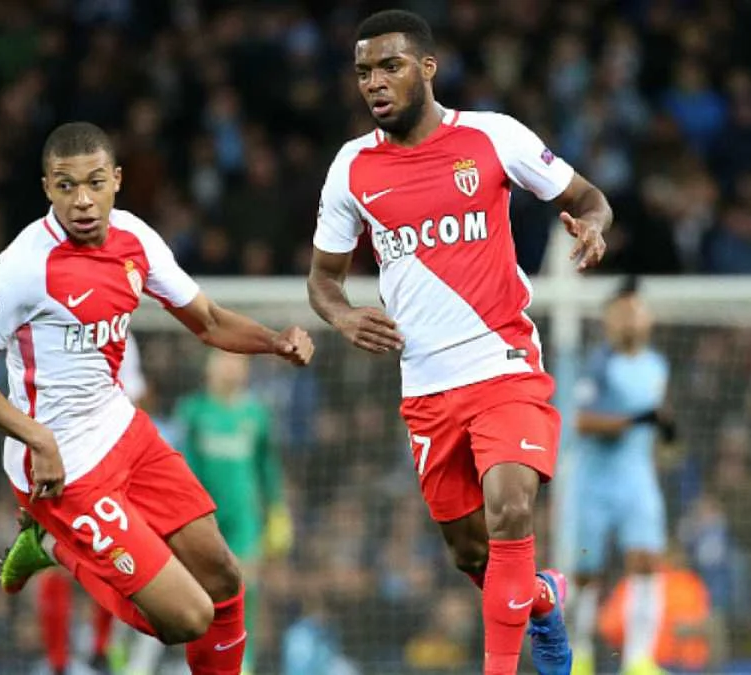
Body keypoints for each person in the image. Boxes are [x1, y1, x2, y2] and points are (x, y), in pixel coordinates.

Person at [0, 121, 314, 675]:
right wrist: (38, 438)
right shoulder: (24, 266)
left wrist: (274, 342)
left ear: (116, 180)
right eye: (66, 186)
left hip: (124, 433)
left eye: (94, 183)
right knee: (187, 619)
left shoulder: (135, 238)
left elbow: (207, 321)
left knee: (225, 580)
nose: (82, 200)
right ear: (47, 188)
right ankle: (51, 544)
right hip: (63, 469)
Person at [306, 10, 612, 675]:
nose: (374, 82)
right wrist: (343, 317)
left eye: (389, 66)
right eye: (363, 71)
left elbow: (590, 197)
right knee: (473, 554)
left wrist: (592, 224)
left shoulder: (493, 136)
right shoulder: (351, 168)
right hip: (426, 386)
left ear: (427, 68)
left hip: (504, 362)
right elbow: (323, 280)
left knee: (512, 509)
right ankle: (542, 599)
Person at [570, 278, 675, 675]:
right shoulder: (598, 364)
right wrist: (635, 421)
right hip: (594, 481)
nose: (631, 318)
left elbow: (657, 420)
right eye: (623, 311)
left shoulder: (657, 366)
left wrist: (664, 433)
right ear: (609, 320)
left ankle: (638, 660)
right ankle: (578, 655)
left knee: (646, 561)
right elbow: (582, 421)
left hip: (637, 477)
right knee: (587, 572)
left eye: (637, 310)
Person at [34, 333, 148, 675]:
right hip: (55, 460)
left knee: (111, 554)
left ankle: (100, 650)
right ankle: (59, 662)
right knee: (57, 558)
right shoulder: (48, 329)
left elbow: (132, 400)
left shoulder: (119, 335)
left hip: (103, 461)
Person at [175, 350, 294, 675]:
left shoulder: (256, 415)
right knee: (199, 592)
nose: (231, 366)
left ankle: (243, 663)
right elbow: (182, 467)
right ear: (209, 365)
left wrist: (277, 511)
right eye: (224, 359)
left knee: (244, 588)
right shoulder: (192, 411)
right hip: (202, 517)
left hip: (243, 519)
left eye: (238, 361)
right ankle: (194, 661)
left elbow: (267, 467)